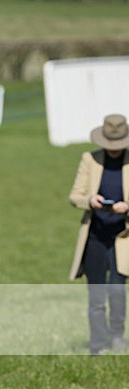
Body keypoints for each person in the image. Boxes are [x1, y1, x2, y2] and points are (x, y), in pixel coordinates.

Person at [69, 113, 129, 355]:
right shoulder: (90, 159)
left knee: (117, 291)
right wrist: (90, 200)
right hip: (95, 236)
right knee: (96, 295)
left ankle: (117, 337)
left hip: (123, 237)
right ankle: (98, 343)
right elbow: (75, 195)